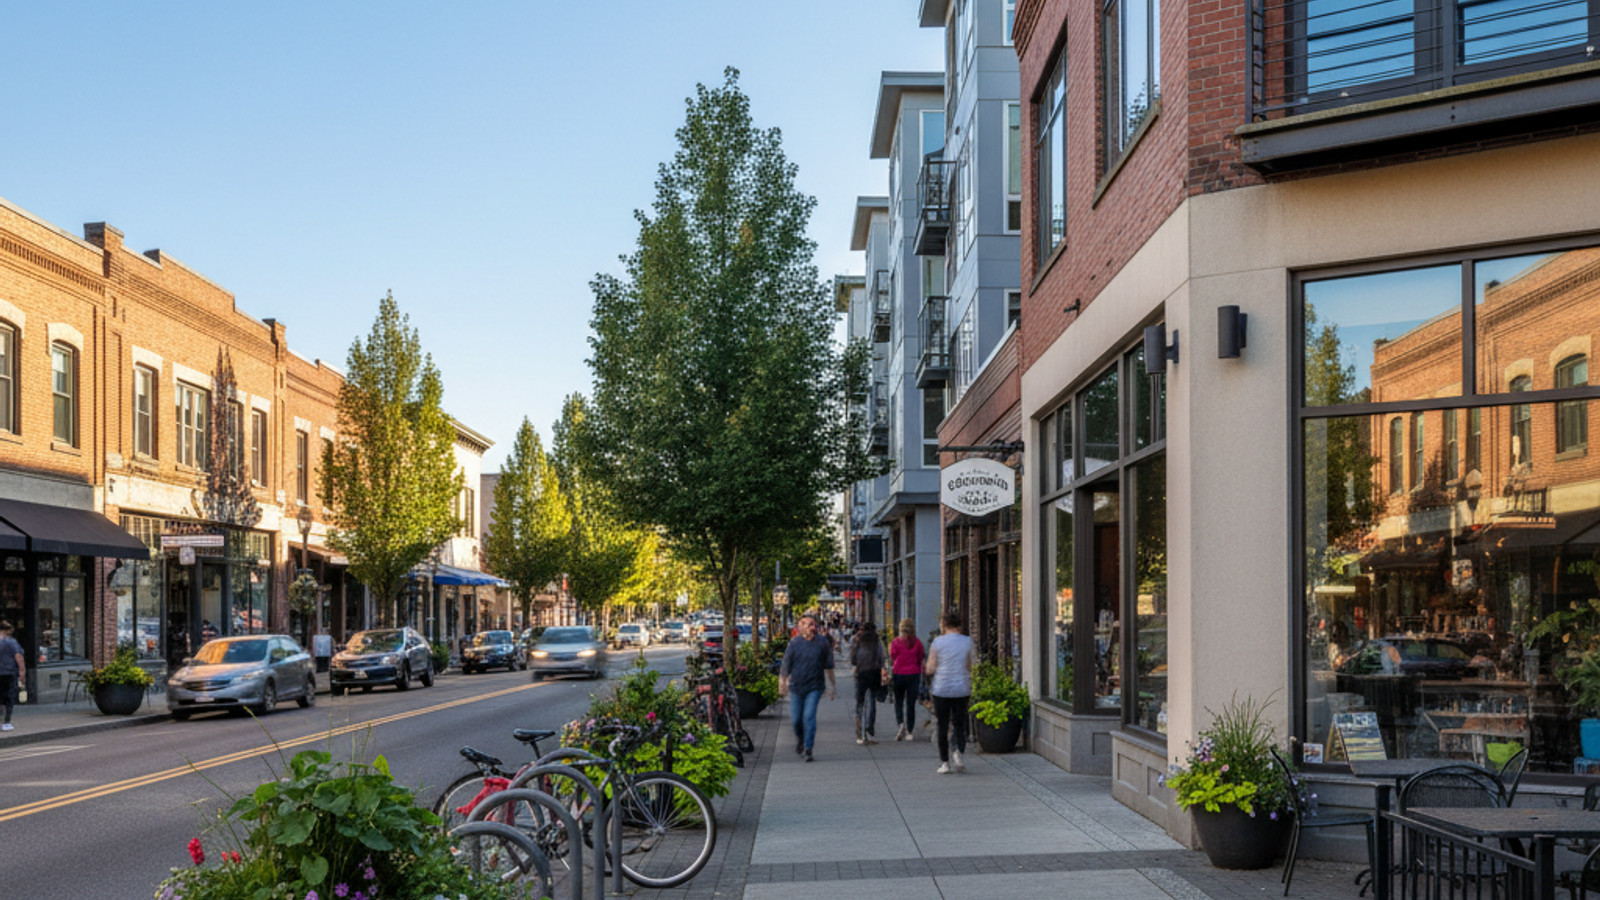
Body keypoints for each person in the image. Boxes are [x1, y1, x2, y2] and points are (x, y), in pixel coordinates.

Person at [779, 613, 835, 762]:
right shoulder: (794, 643)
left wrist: (832, 686)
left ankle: (808, 748)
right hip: (796, 686)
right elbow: (786, 665)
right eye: (806, 624)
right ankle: (801, 739)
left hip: (815, 686)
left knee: (809, 716)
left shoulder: (822, 643)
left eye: (812, 624)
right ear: (800, 627)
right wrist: (782, 682)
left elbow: (829, 666)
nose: (810, 627)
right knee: (796, 719)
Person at [925, 611, 976, 774]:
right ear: (960, 625)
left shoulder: (937, 643)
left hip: (941, 688)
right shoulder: (968, 642)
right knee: (960, 723)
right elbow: (970, 665)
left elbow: (930, 668)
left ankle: (945, 763)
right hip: (961, 687)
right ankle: (958, 753)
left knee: (942, 724)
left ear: (944, 625)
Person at [888, 618, 925, 742]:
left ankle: (901, 724)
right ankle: (910, 731)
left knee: (898, 701)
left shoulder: (895, 642)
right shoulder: (917, 643)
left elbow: (893, 656)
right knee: (911, 704)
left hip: (898, 673)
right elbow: (921, 657)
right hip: (913, 674)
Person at [849, 622, 885, 744]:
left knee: (859, 702)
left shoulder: (858, 640)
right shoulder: (876, 641)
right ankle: (869, 729)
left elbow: (853, 658)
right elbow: (881, 657)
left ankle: (859, 732)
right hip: (873, 673)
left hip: (861, 673)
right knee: (871, 701)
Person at [0, 620, 25, 732]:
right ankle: (6, 721)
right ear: (7, 631)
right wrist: (22, 672)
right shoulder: (11, 642)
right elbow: (18, 656)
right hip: (9, 673)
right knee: (9, 697)